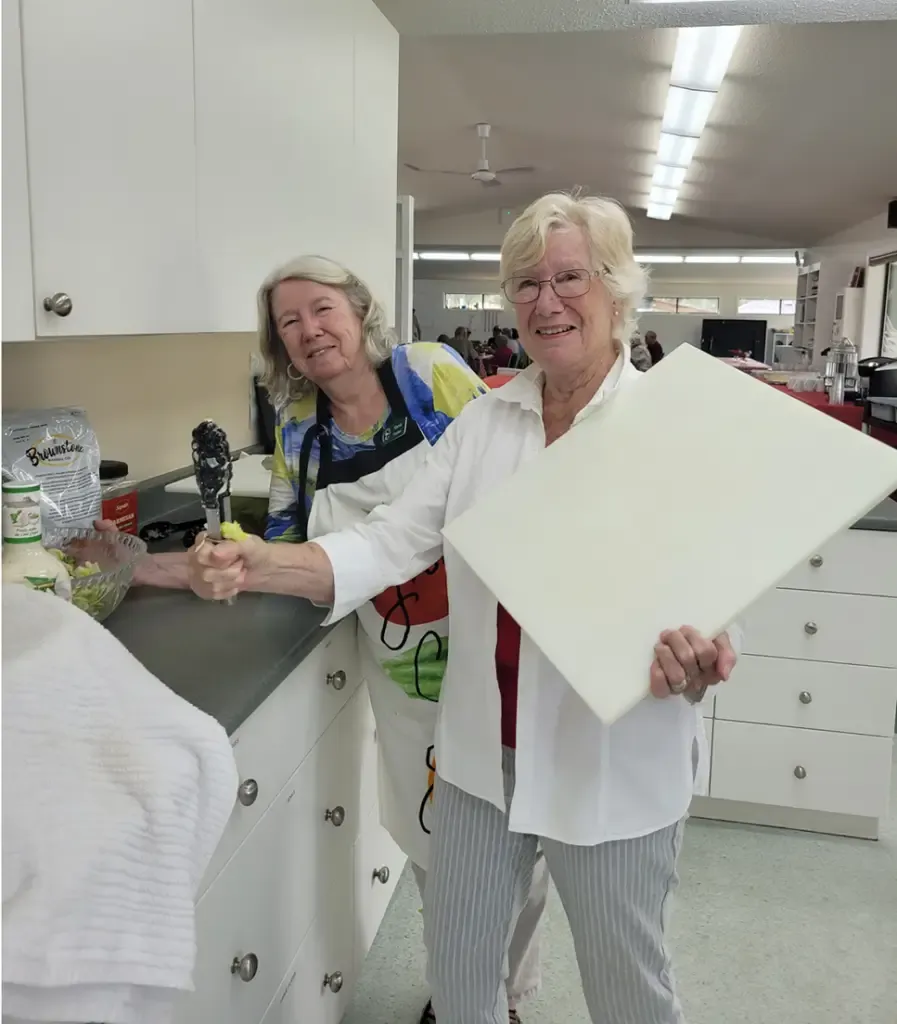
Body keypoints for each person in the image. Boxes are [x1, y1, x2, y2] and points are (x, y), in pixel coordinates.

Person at [187, 193, 741, 1024]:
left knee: (628, 987)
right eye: (524, 283)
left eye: (568, 278)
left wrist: (704, 655)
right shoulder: (487, 424)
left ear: (616, 289)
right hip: (483, 758)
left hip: (611, 761)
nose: (544, 302)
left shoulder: (669, 430)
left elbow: (717, 594)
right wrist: (268, 558)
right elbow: (388, 540)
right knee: (458, 977)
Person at [102, 255, 547, 1024]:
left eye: (321, 310)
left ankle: (504, 997)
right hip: (404, 684)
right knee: (435, 847)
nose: (309, 331)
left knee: (522, 848)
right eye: (288, 322)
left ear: (359, 311)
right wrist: (162, 568)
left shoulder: (428, 376)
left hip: (495, 662)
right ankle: (459, 996)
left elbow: (513, 479)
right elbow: (276, 544)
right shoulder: (298, 437)